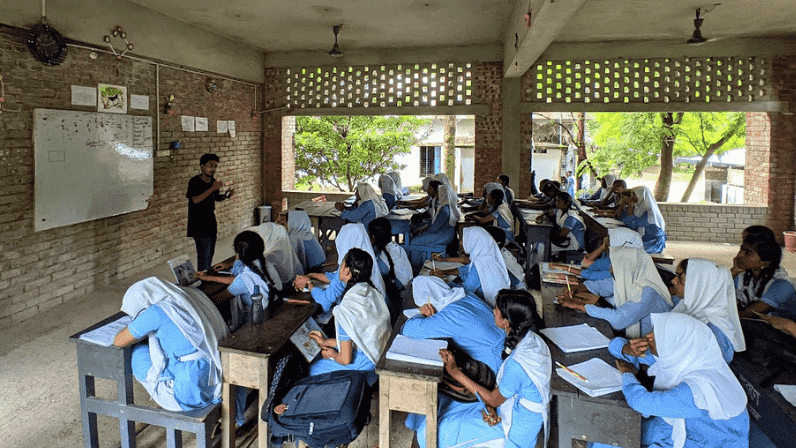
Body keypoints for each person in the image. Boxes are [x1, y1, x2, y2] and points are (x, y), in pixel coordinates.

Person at [418, 289, 550, 448]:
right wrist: (492, 408)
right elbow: (501, 396)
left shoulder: (518, 364)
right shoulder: (533, 340)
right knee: (445, 412)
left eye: (497, 310)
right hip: (511, 409)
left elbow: (494, 399)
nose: (493, 311)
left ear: (506, 322)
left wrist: (455, 372)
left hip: (514, 429)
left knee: (430, 432)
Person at [603, 313, 749, 448]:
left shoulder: (699, 389)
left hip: (710, 442)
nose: (648, 336)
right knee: (612, 432)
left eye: (659, 335)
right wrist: (626, 348)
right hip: (684, 429)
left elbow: (642, 402)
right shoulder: (681, 359)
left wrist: (627, 373)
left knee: (609, 436)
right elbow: (615, 346)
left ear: (679, 343)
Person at [113, 277, 228, 414]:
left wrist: (136, 325)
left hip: (190, 392)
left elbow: (119, 341)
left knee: (138, 352)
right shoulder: (188, 295)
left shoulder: (156, 312)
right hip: (213, 372)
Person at [307, 248, 391, 386]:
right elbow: (358, 338)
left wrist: (332, 355)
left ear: (346, 271)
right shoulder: (371, 293)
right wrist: (326, 342)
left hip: (362, 370)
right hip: (375, 359)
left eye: (342, 264)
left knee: (313, 369)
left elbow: (345, 359)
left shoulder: (346, 309)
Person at [560, 247, 673, 338]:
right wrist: (579, 288)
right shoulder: (630, 277)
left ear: (629, 268)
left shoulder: (648, 291)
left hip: (647, 345)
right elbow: (602, 286)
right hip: (629, 333)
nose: (612, 273)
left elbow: (618, 320)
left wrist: (579, 306)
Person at [294, 223, 387, 323]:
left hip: (360, 322)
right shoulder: (364, 261)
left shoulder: (348, 270)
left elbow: (324, 301)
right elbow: (335, 276)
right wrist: (311, 276)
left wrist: (309, 284)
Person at [670, 259, 746, 362]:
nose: (673, 281)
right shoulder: (684, 306)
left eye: (679, 276)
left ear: (698, 283)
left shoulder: (714, 330)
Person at [432, 226, 510, 307]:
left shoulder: (481, 263)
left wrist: (443, 281)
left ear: (475, 241)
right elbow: (466, 270)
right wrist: (444, 272)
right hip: (499, 303)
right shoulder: (488, 256)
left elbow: (465, 291)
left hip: (489, 305)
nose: (463, 243)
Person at [186, 153, 234, 271]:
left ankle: (206, 276)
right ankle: (203, 281)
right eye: (210, 165)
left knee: (210, 255)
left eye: (215, 166)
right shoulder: (195, 181)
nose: (213, 169)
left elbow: (215, 198)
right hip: (198, 224)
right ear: (202, 166)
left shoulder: (213, 181)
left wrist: (226, 196)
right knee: (204, 257)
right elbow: (195, 200)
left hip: (210, 223)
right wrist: (213, 188)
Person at [733, 235, 796, 321]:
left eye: (747, 252)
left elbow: (750, 314)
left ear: (766, 262)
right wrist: (733, 272)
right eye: (741, 249)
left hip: (780, 332)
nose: (739, 255)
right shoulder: (742, 277)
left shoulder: (782, 285)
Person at [616, 186, 667, 254]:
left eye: (634, 194)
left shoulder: (650, 212)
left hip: (652, 244)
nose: (632, 197)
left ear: (641, 195)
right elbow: (623, 218)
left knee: (622, 249)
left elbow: (632, 224)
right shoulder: (640, 208)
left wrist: (630, 206)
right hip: (646, 240)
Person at [368, 217, 413, 290]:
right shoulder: (397, 248)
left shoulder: (382, 261)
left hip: (400, 294)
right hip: (409, 286)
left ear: (373, 238)